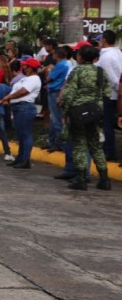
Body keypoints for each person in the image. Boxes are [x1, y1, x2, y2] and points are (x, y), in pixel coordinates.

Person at [60, 44, 112, 191]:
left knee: (79, 145)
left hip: (78, 112)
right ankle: (104, 179)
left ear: (80, 57)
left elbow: (69, 94)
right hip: (96, 111)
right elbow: (107, 93)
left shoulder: (77, 71)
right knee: (96, 145)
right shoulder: (101, 72)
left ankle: (81, 179)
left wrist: (64, 113)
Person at [0, 57, 42, 169]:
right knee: (21, 135)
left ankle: (25, 159)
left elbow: (23, 91)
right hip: (19, 107)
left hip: (25, 107)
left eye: (26, 66)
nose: (24, 68)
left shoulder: (33, 79)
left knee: (25, 134)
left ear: (31, 68)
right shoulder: (27, 78)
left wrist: (8, 97)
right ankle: (20, 158)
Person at [96, 30, 122, 161]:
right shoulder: (118, 53)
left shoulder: (106, 57)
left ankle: (109, 151)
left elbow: (111, 77)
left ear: (104, 40)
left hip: (111, 94)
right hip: (117, 94)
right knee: (113, 123)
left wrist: (119, 89)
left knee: (107, 124)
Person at [45, 46, 70, 152]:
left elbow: (49, 79)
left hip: (55, 92)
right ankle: (52, 141)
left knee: (56, 118)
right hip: (57, 91)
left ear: (57, 55)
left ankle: (59, 143)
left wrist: (49, 70)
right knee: (55, 117)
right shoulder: (68, 64)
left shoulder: (60, 65)